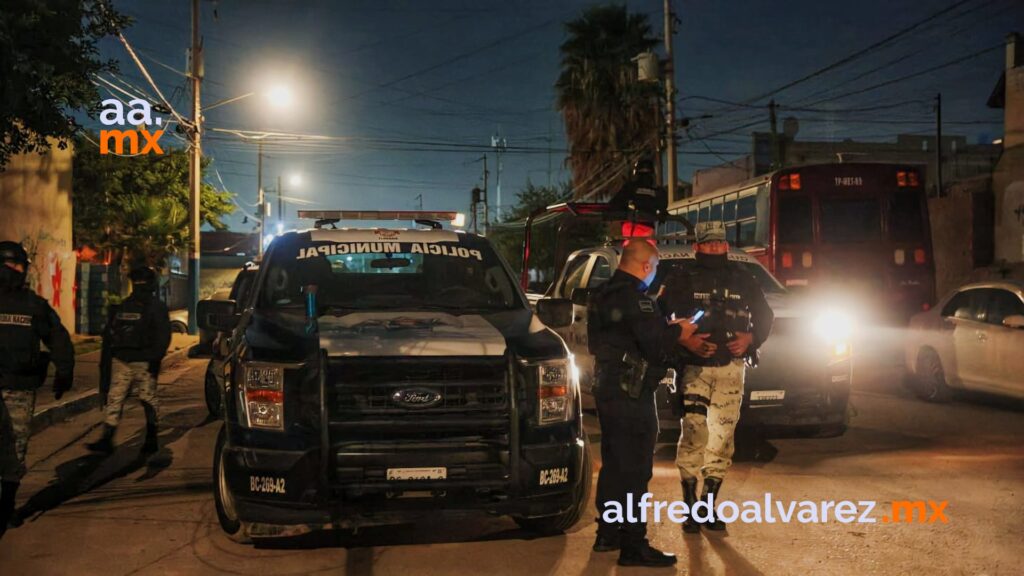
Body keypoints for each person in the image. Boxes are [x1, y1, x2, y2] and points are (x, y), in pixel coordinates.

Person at [587, 240, 697, 567]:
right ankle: (634, 546)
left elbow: (622, 333)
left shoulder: (603, 294)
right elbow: (656, 344)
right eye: (655, 267)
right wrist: (680, 332)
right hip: (632, 393)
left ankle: (607, 534)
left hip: (607, 387)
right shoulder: (636, 300)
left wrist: (660, 311)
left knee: (614, 465)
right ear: (646, 266)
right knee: (636, 470)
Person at [660, 221, 773, 533]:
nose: (714, 249)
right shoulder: (680, 279)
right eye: (708, 244)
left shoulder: (744, 278)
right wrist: (684, 340)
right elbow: (659, 315)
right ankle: (690, 508)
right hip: (694, 368)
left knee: (722, 438)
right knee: (694, 432)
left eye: (719, 244)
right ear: (697, 247)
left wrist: (752, 340)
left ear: (726, 246)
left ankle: (708, 506)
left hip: (731, 369)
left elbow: (765, 316)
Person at [0, 241, 74, 538]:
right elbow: (59, 339)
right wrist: (63, 373)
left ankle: (5, 509)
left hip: (20, 386)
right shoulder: (32, 304)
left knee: (13, 451)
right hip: (19, 388)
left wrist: (64, 370)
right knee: (14, 452)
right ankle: (6, 511)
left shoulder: (33, 305)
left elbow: (58, 339)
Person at [88, 266, 171, 454]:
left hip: (143, 362)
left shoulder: (154, 307)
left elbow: (162, 338)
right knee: (116, 398)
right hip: (125, 360)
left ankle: (151, 437)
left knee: (146, 399)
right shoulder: (127, 306)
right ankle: (107, 439)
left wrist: (153, 359)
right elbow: (110, 336)